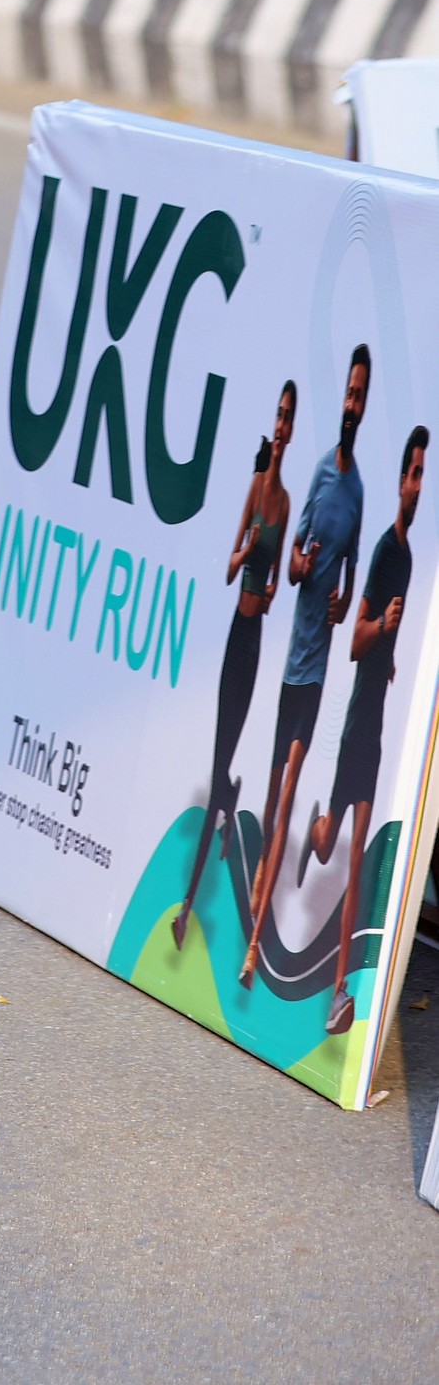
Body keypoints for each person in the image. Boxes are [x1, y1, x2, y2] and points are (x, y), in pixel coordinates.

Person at [240, 345, 371, 988]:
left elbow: (349, 585)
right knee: (272, 798)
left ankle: (252, 948)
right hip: (291, 660)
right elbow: (293, 564)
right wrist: (297, 566)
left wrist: (343, 602)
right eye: (348, 393)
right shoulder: (320, 474)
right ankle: (260, 894)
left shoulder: (360, 492)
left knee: (288, 793)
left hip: (316, 673)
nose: (351, 405)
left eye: (359, 397)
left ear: (365, 410)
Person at [302, 423, 422, 1033]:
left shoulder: (411, 556)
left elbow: (378, 646)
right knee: (331, 846)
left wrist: (392, 654)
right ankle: (315, 830)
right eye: (412, 474)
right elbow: (355, 641)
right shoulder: (384, 552)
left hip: (374, 734)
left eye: (424, 475)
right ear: (400, 481)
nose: (418, 485)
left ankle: (340, 993)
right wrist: (383, 630)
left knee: (353, 863)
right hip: (356, 727)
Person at [171, 383, 297, 951]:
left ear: (293, 429)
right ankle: (187, 905)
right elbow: (229, 569)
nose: (281, 425)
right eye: (278, 415)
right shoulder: (255, 487)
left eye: (288, 417)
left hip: (256, 640)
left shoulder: (285, 503)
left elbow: (275, 589)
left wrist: (271, 587)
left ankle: (226, 796)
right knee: (217, 758)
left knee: (227, 751)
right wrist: (247, 549)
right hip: (234, 635)